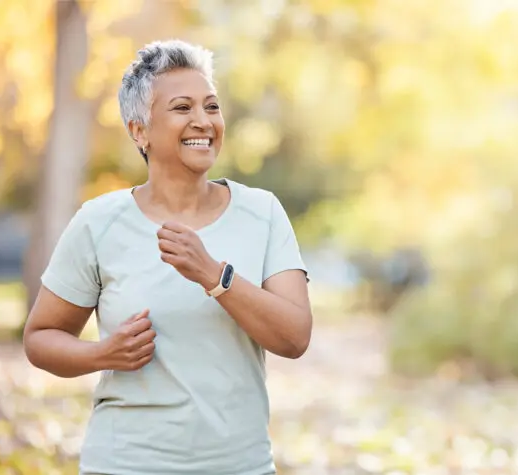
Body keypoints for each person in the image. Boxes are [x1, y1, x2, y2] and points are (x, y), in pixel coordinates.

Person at [23, 39, 312, 475]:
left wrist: (216, 276)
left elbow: (294, 337)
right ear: (139, 130)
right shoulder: (99, 222)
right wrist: (103, 354)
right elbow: (40, 337)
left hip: (239, 466)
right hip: (125, 464)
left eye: (211, 106)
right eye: (182, 108)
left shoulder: (262, 212)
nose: (203, 121)